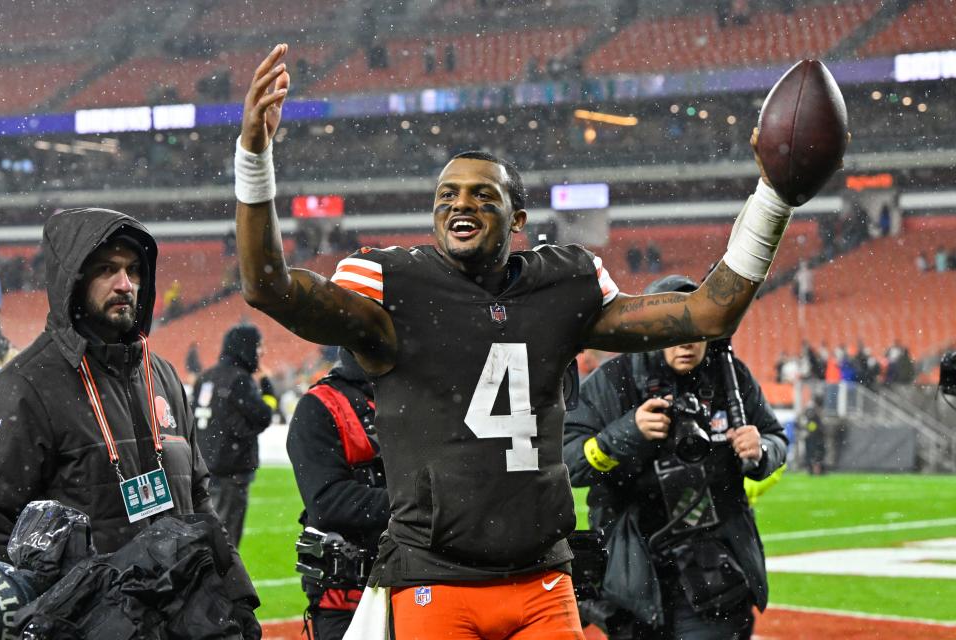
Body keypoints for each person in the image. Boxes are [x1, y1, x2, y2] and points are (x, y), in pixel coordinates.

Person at [236, 44, 807, 639]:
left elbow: (707, 313)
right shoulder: (394, 285)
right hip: (435, 578)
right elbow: (268, 287)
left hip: (542, 579)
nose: (461, 202)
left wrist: (772, 197)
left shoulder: (562, 285)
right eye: (447, 195)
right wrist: (254, 155)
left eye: (483, 194)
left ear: (517, 221)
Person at [0, 208, 261, 638]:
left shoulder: (163, 376)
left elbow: (198, 500)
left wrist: (238, 598)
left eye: (133, 270)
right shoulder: (25, 387)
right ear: (73, 281)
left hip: (181, 625)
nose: (125, 284)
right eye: (106, 270)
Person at [563, 274, 788, 640]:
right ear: (653, 332)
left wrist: (761, 449)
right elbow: (568, 462)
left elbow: (775, 438)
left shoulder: (731, 377)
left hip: (714, 572)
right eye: (675, 331)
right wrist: (627, 433)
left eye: (697, 330)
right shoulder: (613, 381)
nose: (687, 344)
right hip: (632, 571)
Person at [287, 348, 387, 640]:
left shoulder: (415, 395)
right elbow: (327, 502)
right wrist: (416, 501)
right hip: (346, 597)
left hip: (417, 584)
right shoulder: (319, 405)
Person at [192, 322, 277, 548]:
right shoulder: (238, 379)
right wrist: (268, 389)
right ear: (246, 347)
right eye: (258, 346)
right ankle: (222, 583)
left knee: (206, 541)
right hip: (230, 473)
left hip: (203, 472)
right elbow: (263, 415)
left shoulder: (206, 377)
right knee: (226, 545)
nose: (262, 352)